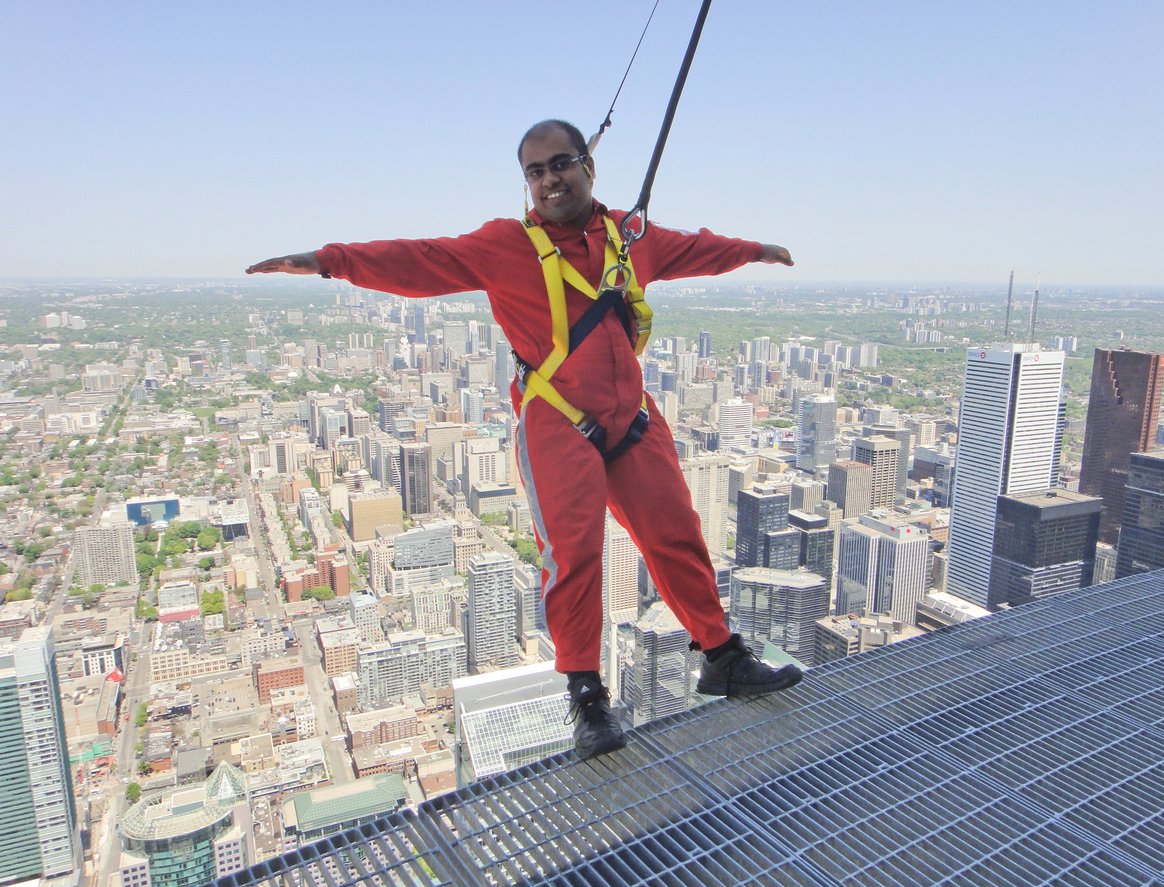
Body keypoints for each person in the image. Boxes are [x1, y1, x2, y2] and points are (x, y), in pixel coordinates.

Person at [248, 119, 803, 760]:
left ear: (588, 166)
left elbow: (694, 248)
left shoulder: (629, 236)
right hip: (557, 419)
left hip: (632, 418)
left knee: (675, 533)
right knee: (574, 554)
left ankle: (722, 656)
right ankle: (588, 698)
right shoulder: (505, 246)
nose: (548, 180)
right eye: (534, 172)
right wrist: (329, 262)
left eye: (559, 164)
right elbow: (419, 260)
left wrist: (755, 249)